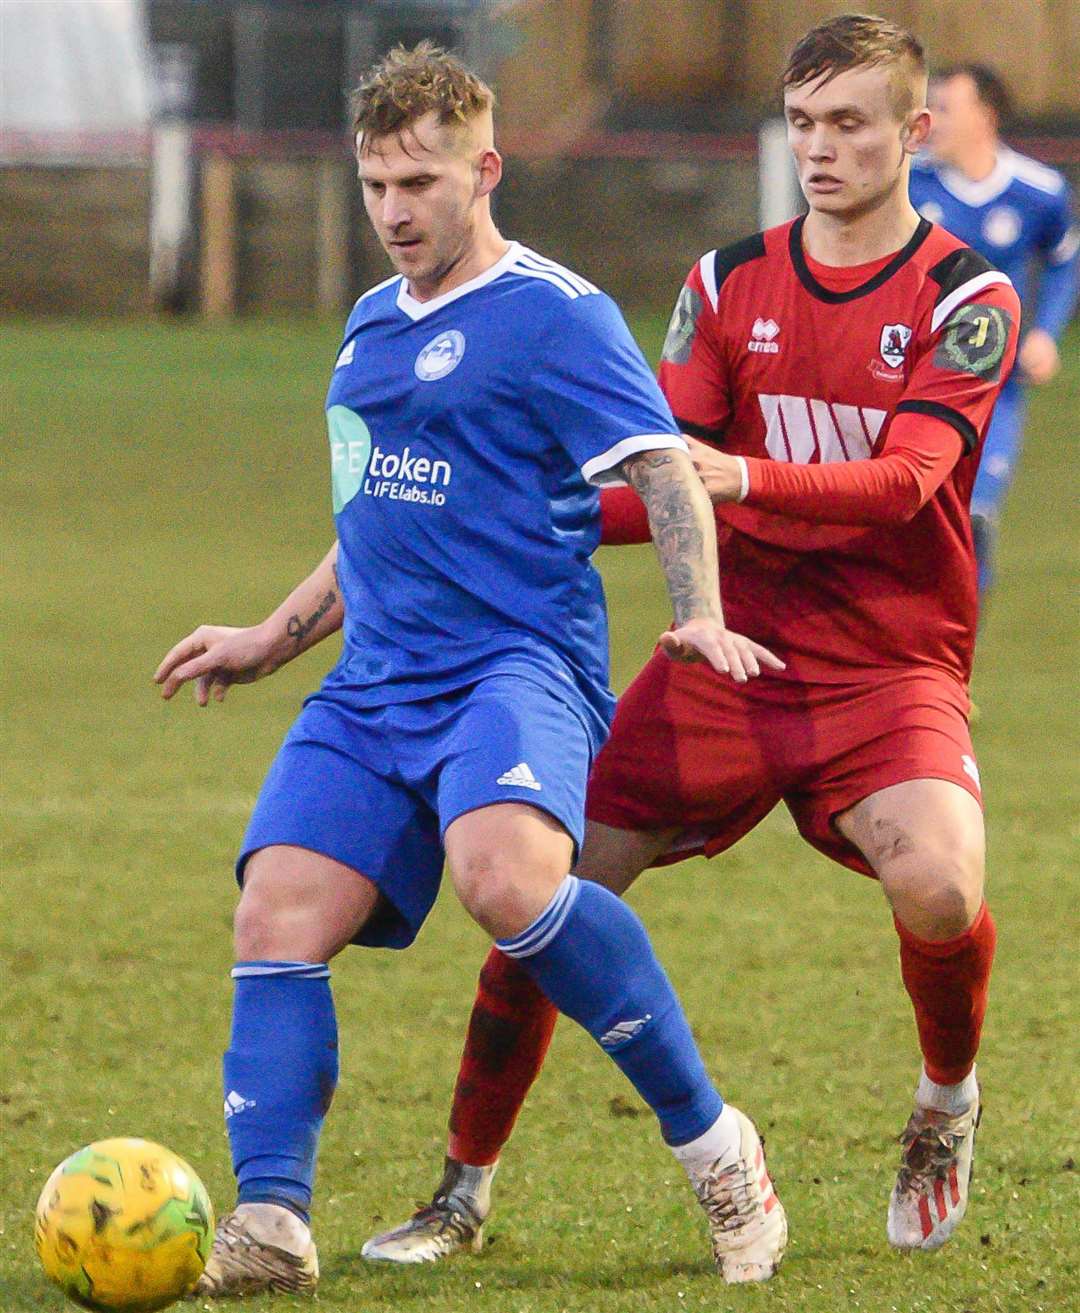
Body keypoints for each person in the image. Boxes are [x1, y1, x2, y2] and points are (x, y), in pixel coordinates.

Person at [360, 13, 1021, 1266]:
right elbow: (657, 478)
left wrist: (738, 477)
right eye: (805, 124)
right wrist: (493, 510)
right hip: (726, 649)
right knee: (540, 889)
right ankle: (461, 1188)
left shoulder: (965, 294)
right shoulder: (725, 283)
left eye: (852, 125)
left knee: (941, 883)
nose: (822, 150)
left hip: (889, 664)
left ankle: (945, 1098)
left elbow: (909, 480)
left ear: (913, 134)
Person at [154, 42, 789, 1298]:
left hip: (516, 665)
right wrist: (269, 639)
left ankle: (719, 1147)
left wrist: (699, 613)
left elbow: (661, 465)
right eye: (377, 182)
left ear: (484, 171)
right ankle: (272, 1223)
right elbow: (368, 518)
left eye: (422, 183)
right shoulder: (366, 326)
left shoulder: (557, 315)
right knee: (275, 911)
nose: (395, 210)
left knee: (506, 879)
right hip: (374, 684)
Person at [910, 63, 1078, 598]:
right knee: (906, 518)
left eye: (948, 107)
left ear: (985, 115)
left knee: (973, 519)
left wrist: (1046, 332)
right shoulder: (908, 184)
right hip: (908, 381)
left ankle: (954, 667)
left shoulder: (1039, 190)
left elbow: (1065, 260)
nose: (932, 120)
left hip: (995, 388)